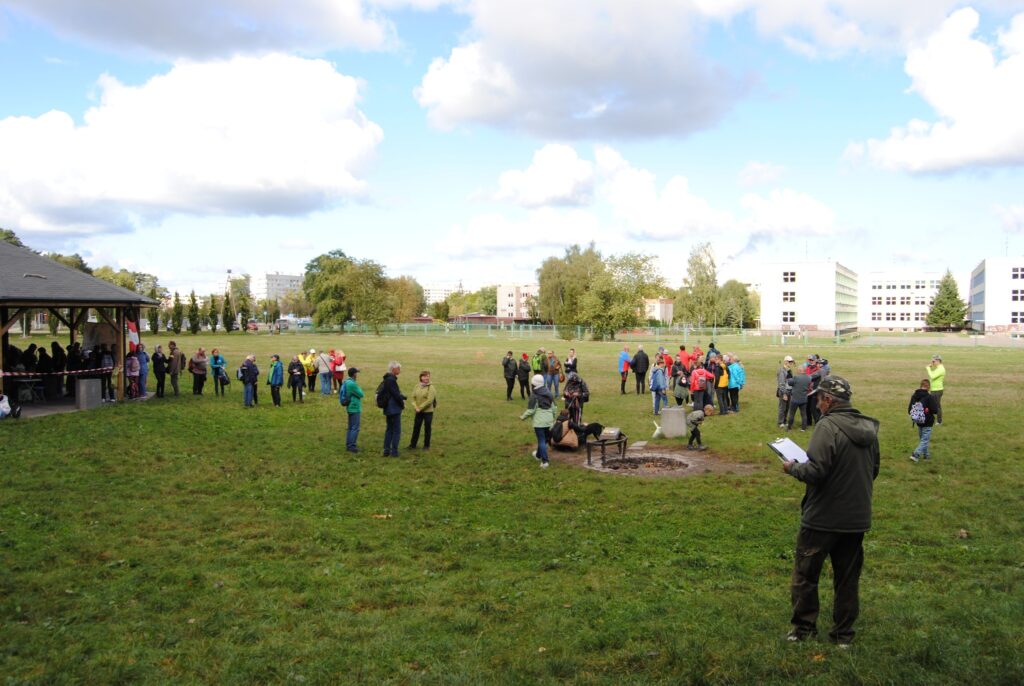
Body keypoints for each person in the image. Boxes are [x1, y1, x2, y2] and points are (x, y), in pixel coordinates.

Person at [782, 376, 880, 647]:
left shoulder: (827, 426)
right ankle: (843, 636)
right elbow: (873, 470)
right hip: (856, 519)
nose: (816, 402)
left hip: (822, 518)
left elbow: (816, 471)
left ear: (828, 400)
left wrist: (792, 468)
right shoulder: (868, 428)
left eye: (818, 398)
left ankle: (803, 630)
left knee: (805, 575)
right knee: (847, 579)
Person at [521, 374, 555, 469]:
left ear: (533, 384)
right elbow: (554, 407)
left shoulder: (534, 395)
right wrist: (553, 417)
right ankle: (538, 455)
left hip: (539, 423)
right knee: (544, 440)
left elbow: (531, 410)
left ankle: (545, 461)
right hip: (549, 421)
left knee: (541, 440)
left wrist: (522, 417)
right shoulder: (549, 393)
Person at [908, 378, 939, 462]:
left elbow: (909, 410)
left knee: (923, 439)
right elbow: (935, 410)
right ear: (928, 387)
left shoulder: (914, 396)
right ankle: (916, 454)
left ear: (920, 385)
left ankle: (926, 455)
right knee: (925, 440)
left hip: (918, 421)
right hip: (928, 422)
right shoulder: (929, 397)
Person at [380, 361, 406, 457]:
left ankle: (386, 450)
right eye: (398, 368)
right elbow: (395, 395)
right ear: (393, 369)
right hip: (394, 409)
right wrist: (402, 404)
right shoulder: (391, 380)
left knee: (389, 429)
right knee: (396, 430)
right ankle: (394, 452)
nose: (399, 370)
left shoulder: (387, 379)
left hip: (388, 408)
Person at [408, 370, 437, 451]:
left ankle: (426, 446)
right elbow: (413, 397)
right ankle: (413, 445)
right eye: (424, 376)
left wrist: (419, 408)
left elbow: (429, 400)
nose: (426, 378)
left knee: (427, 428)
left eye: (428, 376)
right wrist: (415, 407)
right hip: (418, 411)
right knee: (416, 428)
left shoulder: (431, 388)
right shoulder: (417, 386)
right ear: (420, 377)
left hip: (428, 412)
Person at [342, 367, 365, 453]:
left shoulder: (347, 382)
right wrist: (358, 388)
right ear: (354, 374)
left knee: (351, 427)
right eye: (356, 373)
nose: (357, 375)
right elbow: (361, 394)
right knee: (355, 428)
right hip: (354, 407)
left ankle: (349, 444)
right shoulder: (352, 384)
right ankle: (352, 446)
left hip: (350, 407)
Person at [926, 355, 945, 425]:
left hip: (937, 390)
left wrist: (928, 368)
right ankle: (932, 419)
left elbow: (932, 376)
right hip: (934, 389)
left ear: (938, 361)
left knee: (937, 406)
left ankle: (939, 421)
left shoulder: (941, 369)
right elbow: (932, 375)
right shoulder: (938, 368)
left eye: (933, 361)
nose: (932, 363)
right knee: (932, 405)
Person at [777, 356, 795, 427]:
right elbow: (781, 383)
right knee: (782, 408)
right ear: (785, 361)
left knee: (787, 407)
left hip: (790, 391)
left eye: (791, 362)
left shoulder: (789, 370)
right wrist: (784, 394)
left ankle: (784, 421)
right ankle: (780, 422)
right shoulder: (782, 370)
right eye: (789, 362)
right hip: (784, 391)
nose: (791, 363)